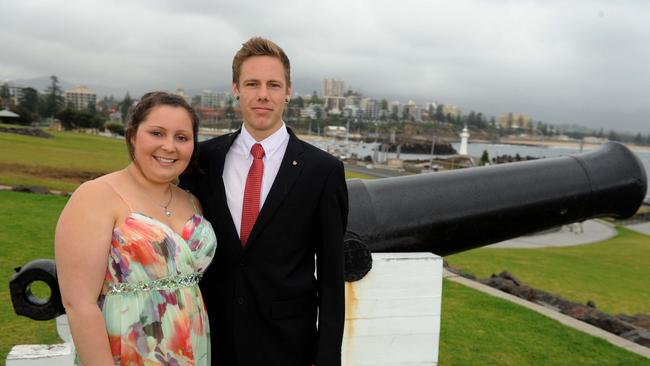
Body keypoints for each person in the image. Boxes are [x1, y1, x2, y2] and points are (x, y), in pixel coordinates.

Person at [180, 37, 349, 365]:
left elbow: (331, 276)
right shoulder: (204, 160)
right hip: (210, 340)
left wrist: (327, 358)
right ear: (235, 89)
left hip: (287, 346)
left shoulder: (323, 171)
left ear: (288, 91)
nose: (263, 94)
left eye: (273, 84)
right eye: (252, 83)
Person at [55, 92, 216, 365]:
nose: (169, 147)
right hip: (129, 351)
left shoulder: (191, 200)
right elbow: (79, 305)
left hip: (193, 348)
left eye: (181, 137)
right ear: (132, 136)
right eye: (156, 133)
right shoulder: (96, 197)